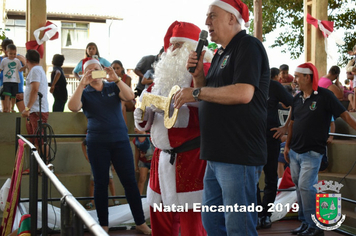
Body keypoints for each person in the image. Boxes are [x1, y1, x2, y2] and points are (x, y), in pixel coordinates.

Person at [174, 1, 270, 235]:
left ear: (231, 19)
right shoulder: (220, 53)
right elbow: (209, 94)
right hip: (216, 154)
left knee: (239, 228)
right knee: (213, 224)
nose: (206, 22)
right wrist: (198, 78)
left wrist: (195, 92)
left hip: (238, 154)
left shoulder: (248, 46)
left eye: (212, 16)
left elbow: (243, 93)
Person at [134, 21, 212, 236]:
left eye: (179, 44)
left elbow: (210, 109)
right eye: (172, 45)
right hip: (160, 160)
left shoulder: (203, 72)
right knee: (160, 221)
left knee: (192, 225)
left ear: (192, 47)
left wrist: (176, 110)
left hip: (191, 158)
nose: (173, 49)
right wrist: (142, 116)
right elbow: (145, 118)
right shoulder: (160, 77)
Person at [67, 58, 151, 234]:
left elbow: (130, 97)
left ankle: (140, 222)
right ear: (83, 73)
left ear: (102, 70)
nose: (92, 73)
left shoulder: (113, 87)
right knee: (100, 183)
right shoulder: (84, 92)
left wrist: (116, 78)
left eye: (96, 69)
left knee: (129, 182)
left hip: (120, 142)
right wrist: (82, 84)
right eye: (88, 70)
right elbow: (73, 107)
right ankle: (103, 225)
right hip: (97, 144)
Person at [284, 62, 356, 236]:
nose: (294, 80)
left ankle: (315, 226)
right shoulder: (297, 98)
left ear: (308, 77)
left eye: (298, 76)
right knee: (300, 188)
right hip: (294, 152)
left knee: (306, 187)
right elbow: (292, 124)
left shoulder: (325, 96)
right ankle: (305, 223)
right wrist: (287, 147)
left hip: (312, 152)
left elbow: (345, 115)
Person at [256, 67, 293, 229]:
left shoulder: (274, 86)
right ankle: (256, 214)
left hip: (271, 138)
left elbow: (295, 104)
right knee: (252, 179)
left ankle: (266, 215)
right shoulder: (247, 84)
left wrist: (285, 127)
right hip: (251, 139)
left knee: (271, 177)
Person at [81, 137, 120, 209]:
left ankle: (114, 199)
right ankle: (92, 201)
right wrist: (87, 156)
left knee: (110, 180)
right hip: (96, 161)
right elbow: (83, 144)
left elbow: (113, 149)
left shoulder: (107, 136)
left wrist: (113, 163)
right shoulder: (93, 135)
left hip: (106, 161)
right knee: (93, 181)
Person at [21, 50, 49, 147]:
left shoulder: (35, 70)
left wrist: (27, 108)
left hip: (36, 110)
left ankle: (43, 162)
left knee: (40, 142)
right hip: (34, 110)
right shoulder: (37, 70)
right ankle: (37, 162)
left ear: (27, 60)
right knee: (34, 141)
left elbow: (35, 90)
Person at [0, 39, 26, 113]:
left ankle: (12, 108)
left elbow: (26, 66)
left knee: (23, 112)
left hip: (18, 89)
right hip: (5, 87)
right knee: (6, 112)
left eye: (13, 53)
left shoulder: (18, 58)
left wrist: (23, 62)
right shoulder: (2, 60)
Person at [111, 60, 135, 126]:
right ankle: (123, 128)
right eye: (113, 68)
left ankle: (124, 129)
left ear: (122, 68)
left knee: (122, 101)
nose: (115, 70)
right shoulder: (110, 79)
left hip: (128, 101)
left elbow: (125, 94)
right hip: (117, 101)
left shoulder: (127, 78)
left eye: (117, 68)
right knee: (122, 107)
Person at [132, 128, 152, 195]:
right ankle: (139, 197)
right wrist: (136, 165)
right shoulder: (135, 140)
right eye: (135, 127)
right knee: (142, 179)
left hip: (152, 160)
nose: (135, 129)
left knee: (154, 180)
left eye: (137, 127)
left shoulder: (150, 136)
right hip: (143, 161)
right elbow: (136, 153)